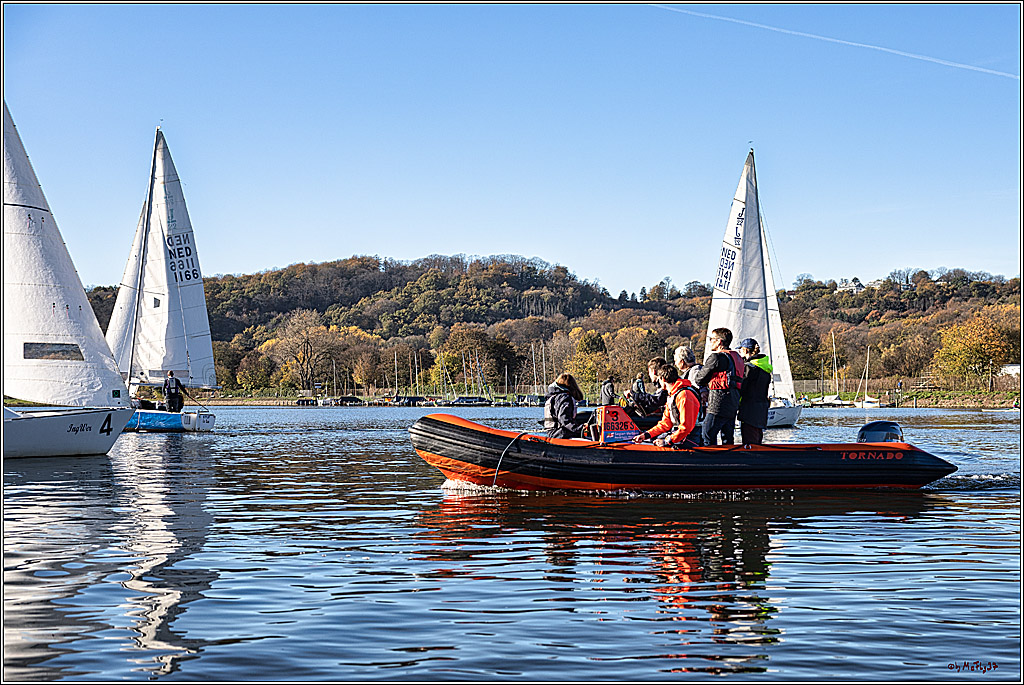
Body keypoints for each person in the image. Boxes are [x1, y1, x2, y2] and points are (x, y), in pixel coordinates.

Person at [693, 327, 745, 445]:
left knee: (706, 435)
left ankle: (710, 461)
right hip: (732, 403)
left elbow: (699, 379)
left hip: (718, 404)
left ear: (719, 342)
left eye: (712, 339)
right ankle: (728, 461)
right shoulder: (737, 358)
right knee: (727, 438)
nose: (710, 341)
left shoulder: (716, 358)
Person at [631, 364, 701, 448]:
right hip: (679, 435)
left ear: (663, 379)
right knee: (652, 442)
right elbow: (665, 423)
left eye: (659, 380)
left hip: (690, 438)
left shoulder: (684, 395)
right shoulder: (672, 395)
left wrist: (667, 441)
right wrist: (646, 435)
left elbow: (686, 427)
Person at [736, 338, 772, 445]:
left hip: (749, 410)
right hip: (762, 409)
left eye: (741, 350)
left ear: (746, 351)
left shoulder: (749, 368)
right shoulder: (765, 369)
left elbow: (742, 388)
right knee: (757, 439)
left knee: (749, 442)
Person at [543, 373, 588, 439]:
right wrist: (580, 428)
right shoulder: (565, 398)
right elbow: (564, 419)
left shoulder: (553, 396)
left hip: (551, 432)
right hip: (560, 433)